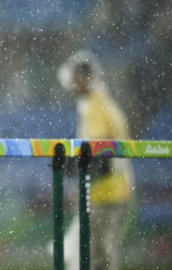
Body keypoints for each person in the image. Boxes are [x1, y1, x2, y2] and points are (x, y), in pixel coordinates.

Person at [58, 51, 135, 270]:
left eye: (75, 79)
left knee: (95, 258)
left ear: (84, 79)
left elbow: (97, 153)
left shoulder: (95, 106)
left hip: (107, 194)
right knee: (100, 256)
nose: (71, 85)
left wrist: (71, 164)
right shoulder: (104, 103)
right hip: (114, 191)